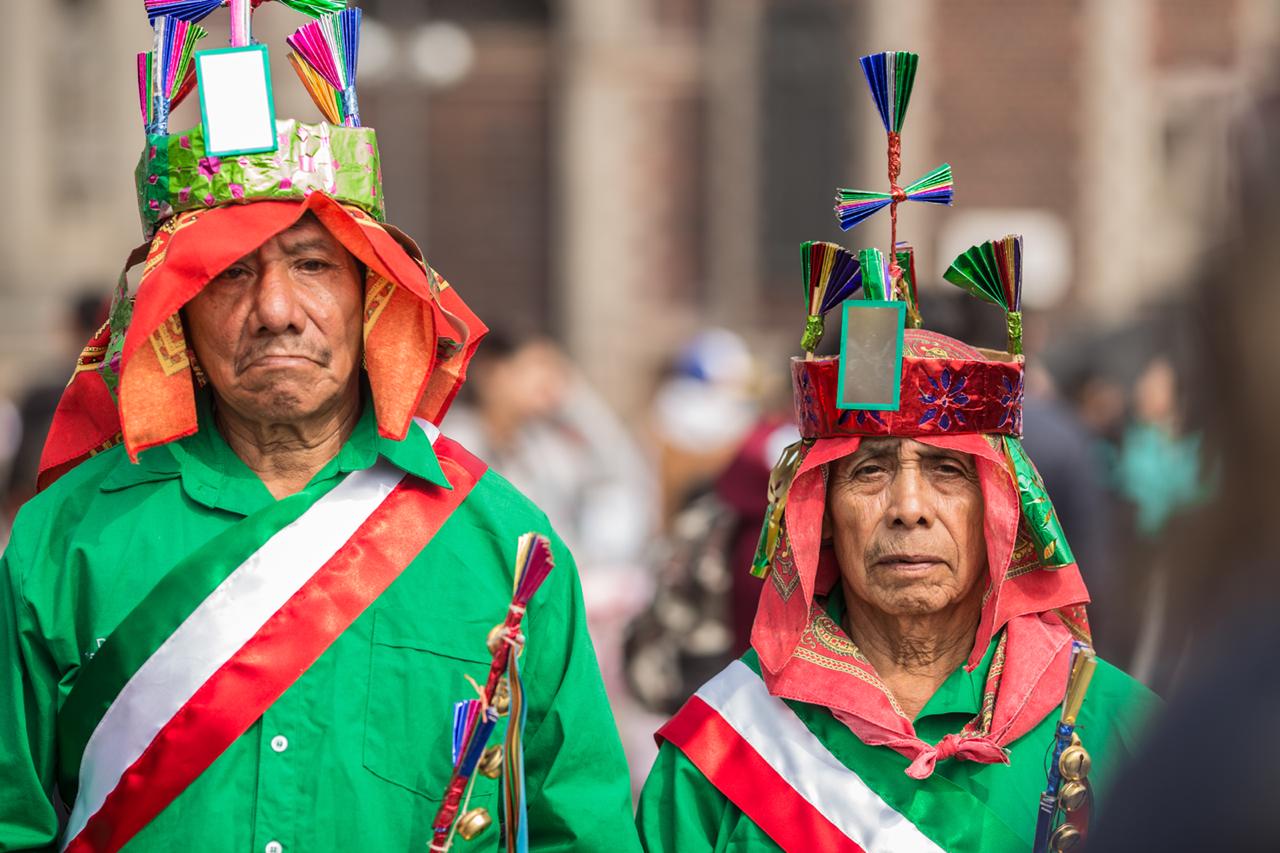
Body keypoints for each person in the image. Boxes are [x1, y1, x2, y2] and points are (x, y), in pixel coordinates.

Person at [0, 5, 637, 851]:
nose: (275, 309)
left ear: (374, 296)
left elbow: (579, 831)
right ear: (176, 311)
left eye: (311, 264)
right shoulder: (66, 539)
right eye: (231, 273)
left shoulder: (506, 547)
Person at [637, 49, 1157, 852]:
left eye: (947, 470)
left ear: (1004, 508)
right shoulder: (721, 754)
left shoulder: (1120, 732)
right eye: (870, 470)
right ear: (816, 511)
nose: (908, 507)